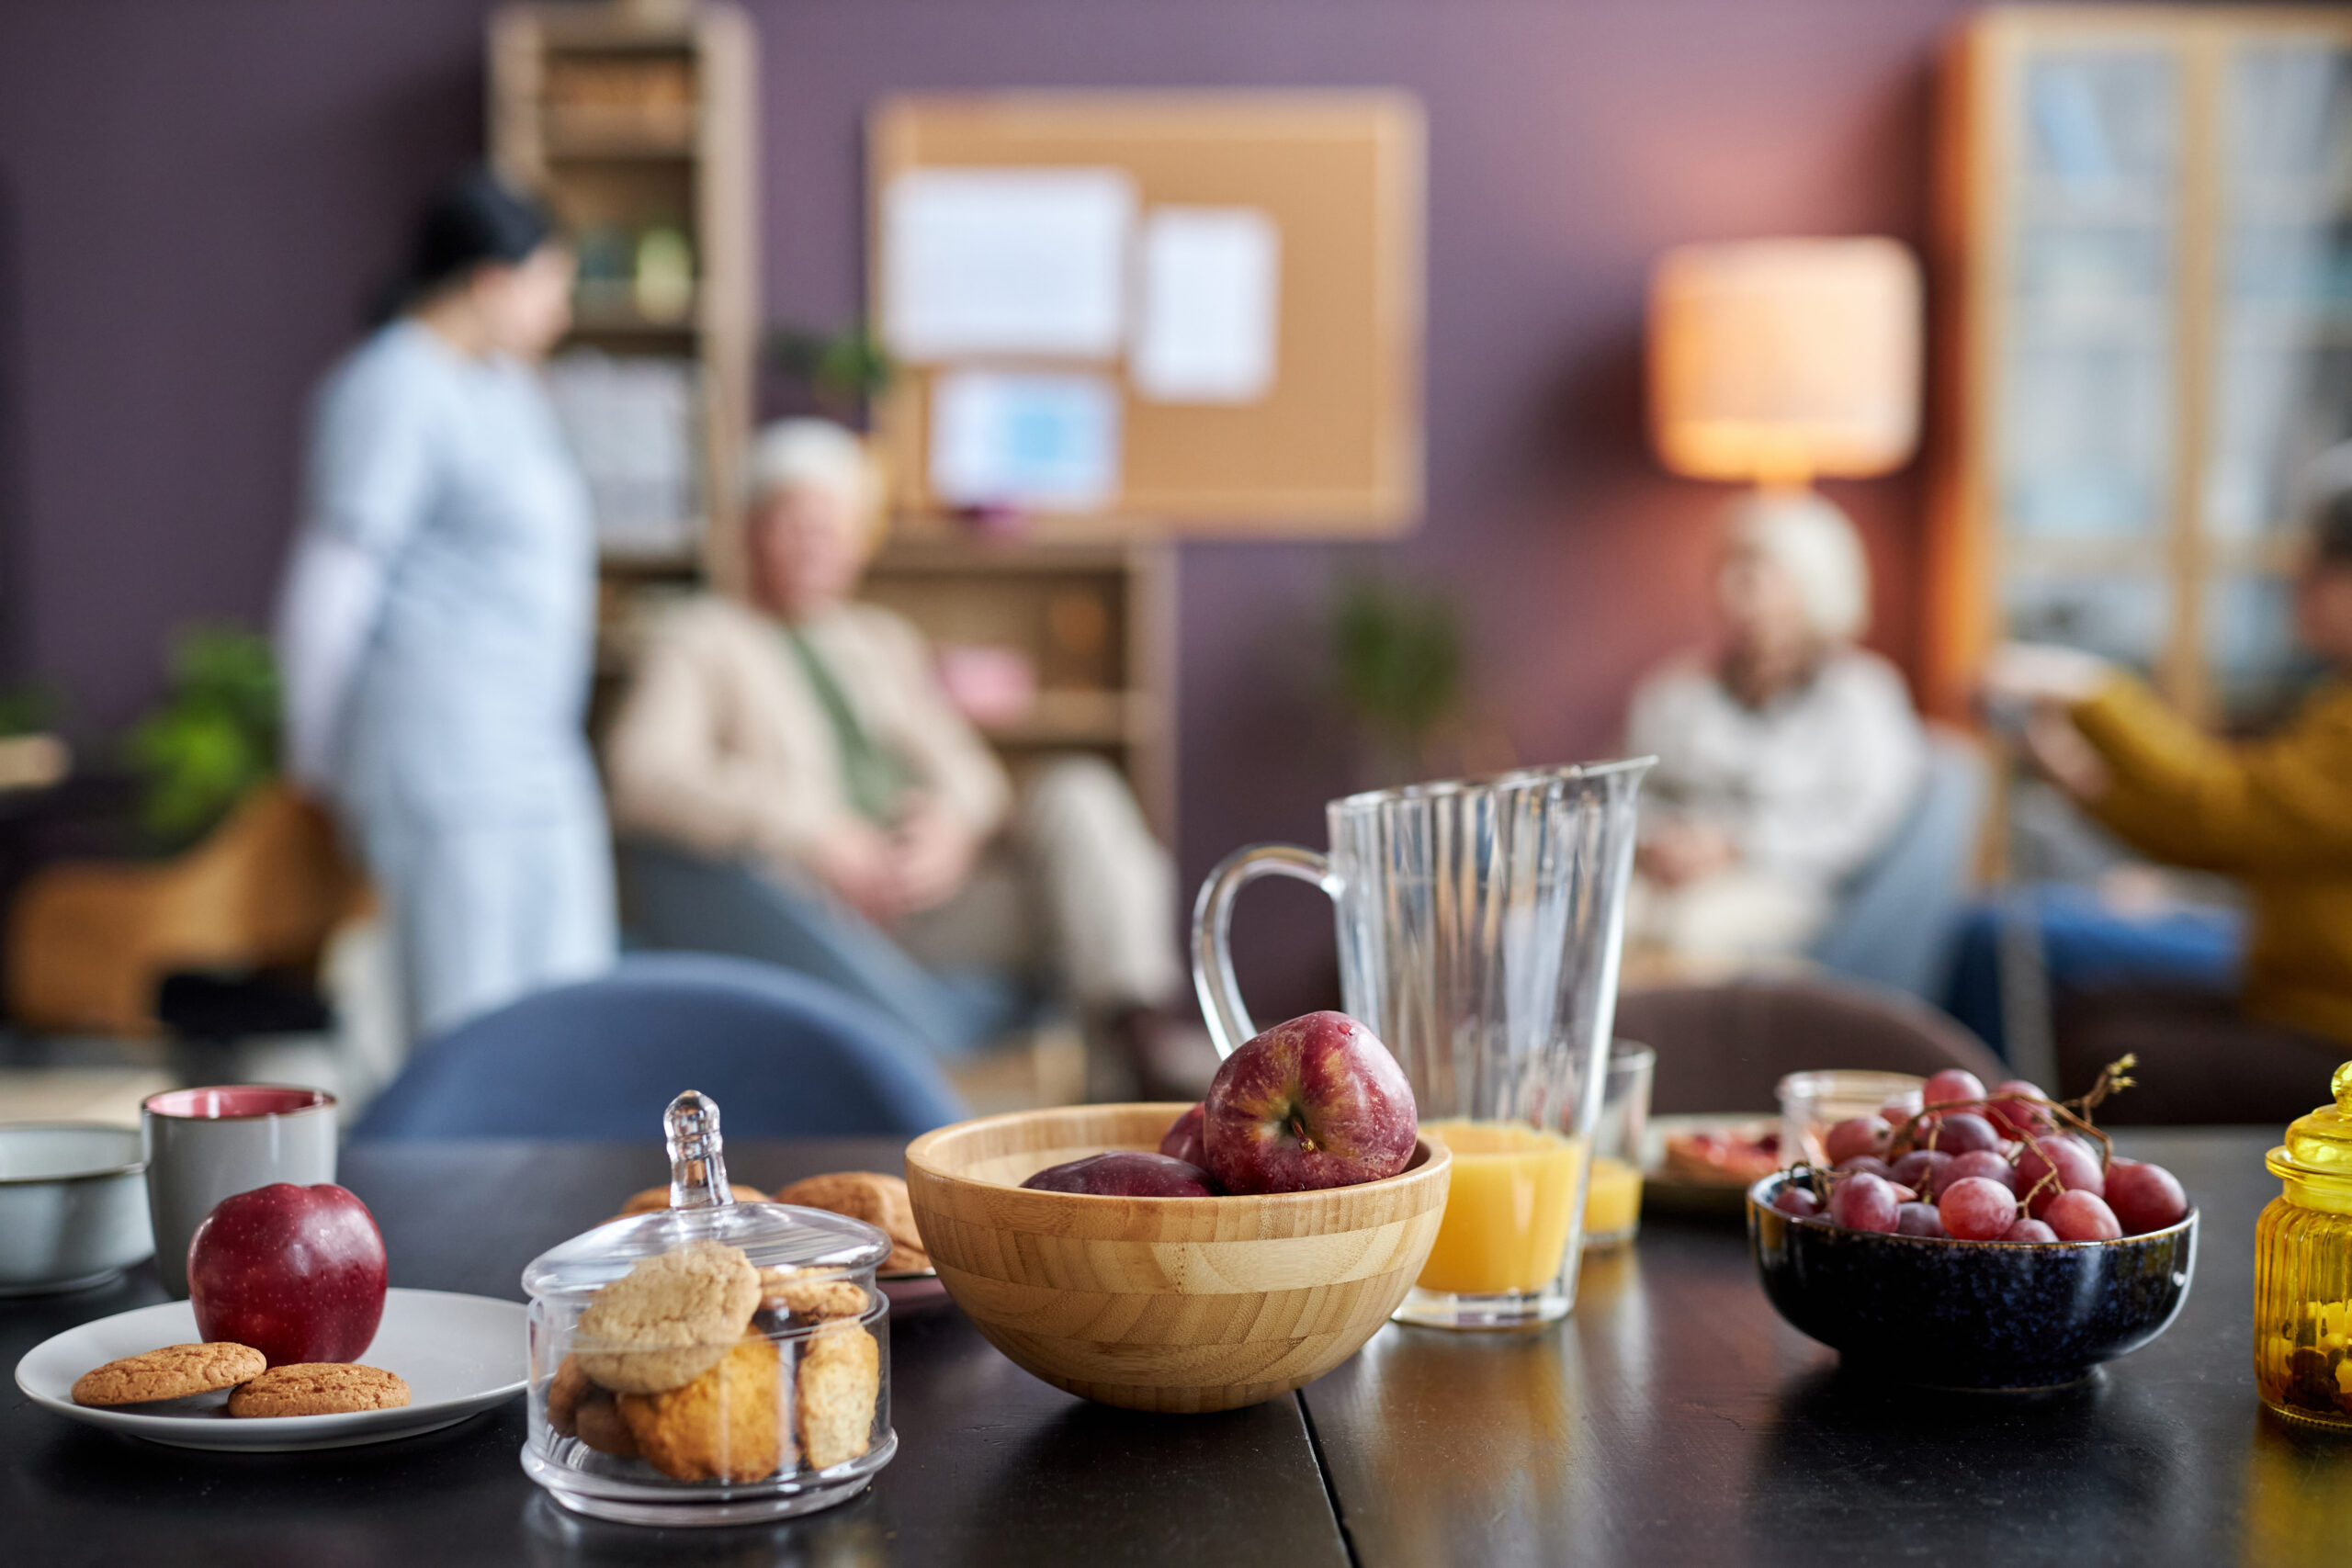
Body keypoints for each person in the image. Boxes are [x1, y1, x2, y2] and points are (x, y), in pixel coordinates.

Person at [603, 419, 1198, 1093]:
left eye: (832, 528)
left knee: (1079, 792)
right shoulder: (699, 637)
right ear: (749, 531)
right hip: (818, 913)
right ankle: (1131, 1054)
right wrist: (815, 832)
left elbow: (974, 774)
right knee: (1109, 894)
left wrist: (950, 827)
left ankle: (1140, 1029)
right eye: (793, 523)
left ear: (857, 544)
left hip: (930, 892)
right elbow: (642, 775)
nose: (813, 545)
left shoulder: (878, 641)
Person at [274, 168, 615, 1040]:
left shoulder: (502, 389)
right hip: (448, 760)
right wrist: (314, 763)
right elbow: (331, 585)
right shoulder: (391, 386)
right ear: (492, 281)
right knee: (470, 1029)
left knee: (573, 1016)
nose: (560, 315)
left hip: (536, 751)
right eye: (553, 288)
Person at [1983, 488, 2352, 1122]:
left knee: (2117, 1063)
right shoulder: (2334, 704)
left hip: (2332, 1032)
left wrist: (2092, 688)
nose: (2294, 580)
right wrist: (2079, 778)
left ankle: (2140, 1213)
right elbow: (2213, 831)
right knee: (2089, 1012)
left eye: (2312, 565)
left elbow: (2222, 808)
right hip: (2288, 1000)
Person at [1624, 495, 1926, 965]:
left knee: (1693, 932)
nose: (1729, 590)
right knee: (1599, 915)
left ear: (1812, 583)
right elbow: (1629, 791)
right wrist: (1658, 840)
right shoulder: (1676, 690)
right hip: (1664, 876)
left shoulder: (1863, 696)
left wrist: (1736, 845)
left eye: (1751, 574)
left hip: (1787, 885)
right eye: (1724, 571)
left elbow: (1862, 824)